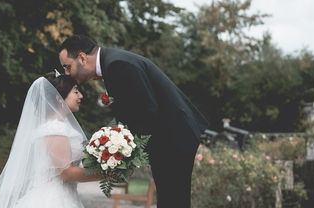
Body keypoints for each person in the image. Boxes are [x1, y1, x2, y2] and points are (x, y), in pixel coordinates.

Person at [59, 35, 209, 208]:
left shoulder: (117, 65)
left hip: (173, 138)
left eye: (67, 67)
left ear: (83, 58)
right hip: (172, 136)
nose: (67, 73)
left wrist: (122, 148)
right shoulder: (113, 62)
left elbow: (146, 111)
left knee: (173, 200)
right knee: (172, 199)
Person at [0, 72, 99, 208]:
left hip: (65, 195)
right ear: (59, 99)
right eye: (75, 91)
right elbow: (66, 173)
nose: (80, 96)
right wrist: (104, 175)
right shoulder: (54, 129)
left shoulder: (59, 127)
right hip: (52, 200)